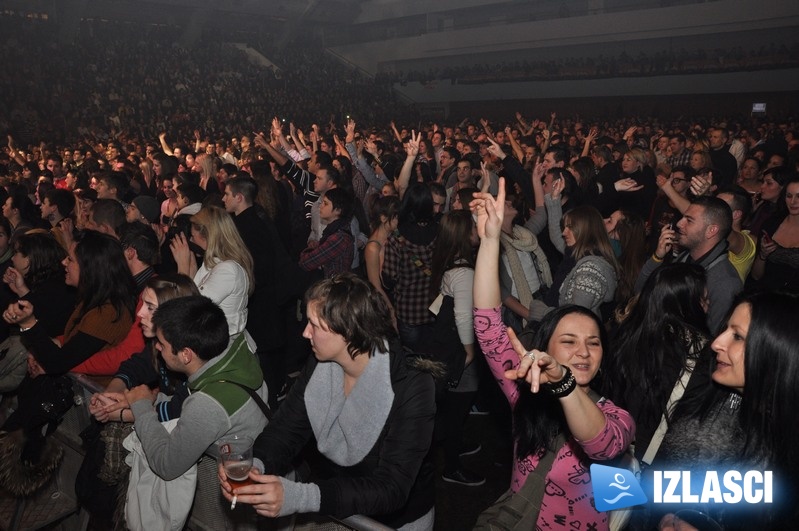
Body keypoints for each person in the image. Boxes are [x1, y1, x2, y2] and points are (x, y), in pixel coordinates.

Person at [471, 179, 634, 529]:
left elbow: (602, 447)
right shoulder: (527, 394)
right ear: (545, 348)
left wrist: (564, 383)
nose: (584, 352)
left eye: (594, 342)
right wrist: (489, 240)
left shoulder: (616, 412)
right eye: (570, 341)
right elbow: (487, 323)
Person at [220, 274, 436, 529]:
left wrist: (301, 496)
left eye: (314, 324)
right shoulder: (320, 362)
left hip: (393, 523)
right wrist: (256, 465)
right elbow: (287, 428)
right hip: (336, 510)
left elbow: (392, 488)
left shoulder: (413, 385)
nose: (304, 332)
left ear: (348, 331)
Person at [652, 292, 799, 528]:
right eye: (725, 330)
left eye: (738, 336)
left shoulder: (786, 450)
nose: (716, 343)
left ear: (775, 352)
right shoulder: (713, 395)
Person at [601, 263, 710, 461]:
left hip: (609, 440)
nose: (708, 304)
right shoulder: (694, 356)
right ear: (686, 305)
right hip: (643, 461)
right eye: (702, 300)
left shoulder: (627, 331)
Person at [4, 230, 136, 374]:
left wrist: (29, 324)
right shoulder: (94, 299)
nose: (63, 262)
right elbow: (72, 339)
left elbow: (58, 363)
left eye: (70, 259)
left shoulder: (108, 312)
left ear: (89, 268)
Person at [636, 196, 741, 334]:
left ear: (711, 230)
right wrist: (657, 257)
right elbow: (640, 293)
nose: (679, 223)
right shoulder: (685, 258)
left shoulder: (724, 283)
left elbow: (714, 340)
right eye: (683, 217)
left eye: (689, 220)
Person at [170, 205, 254, 335]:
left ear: (208, 237)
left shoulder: (228, 270)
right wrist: (191, 270)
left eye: (193, 236)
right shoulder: (214, 262)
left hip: (223, 346)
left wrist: (182, 268)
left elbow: (190, 311)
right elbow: (196, 292)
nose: (191, 240)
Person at [2, 231, 75, 337]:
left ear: (28, 259)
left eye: (16, 253)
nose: (12, 258)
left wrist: (22, 290)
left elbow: (44, 326)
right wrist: (20, 289)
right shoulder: (49, 280)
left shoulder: (55, 288)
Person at [750, 172, 799, 292]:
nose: (793, 202)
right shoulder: (771, 224)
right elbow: (756, 276)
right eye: (789, 196)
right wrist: (763, 255)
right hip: (765, 297)